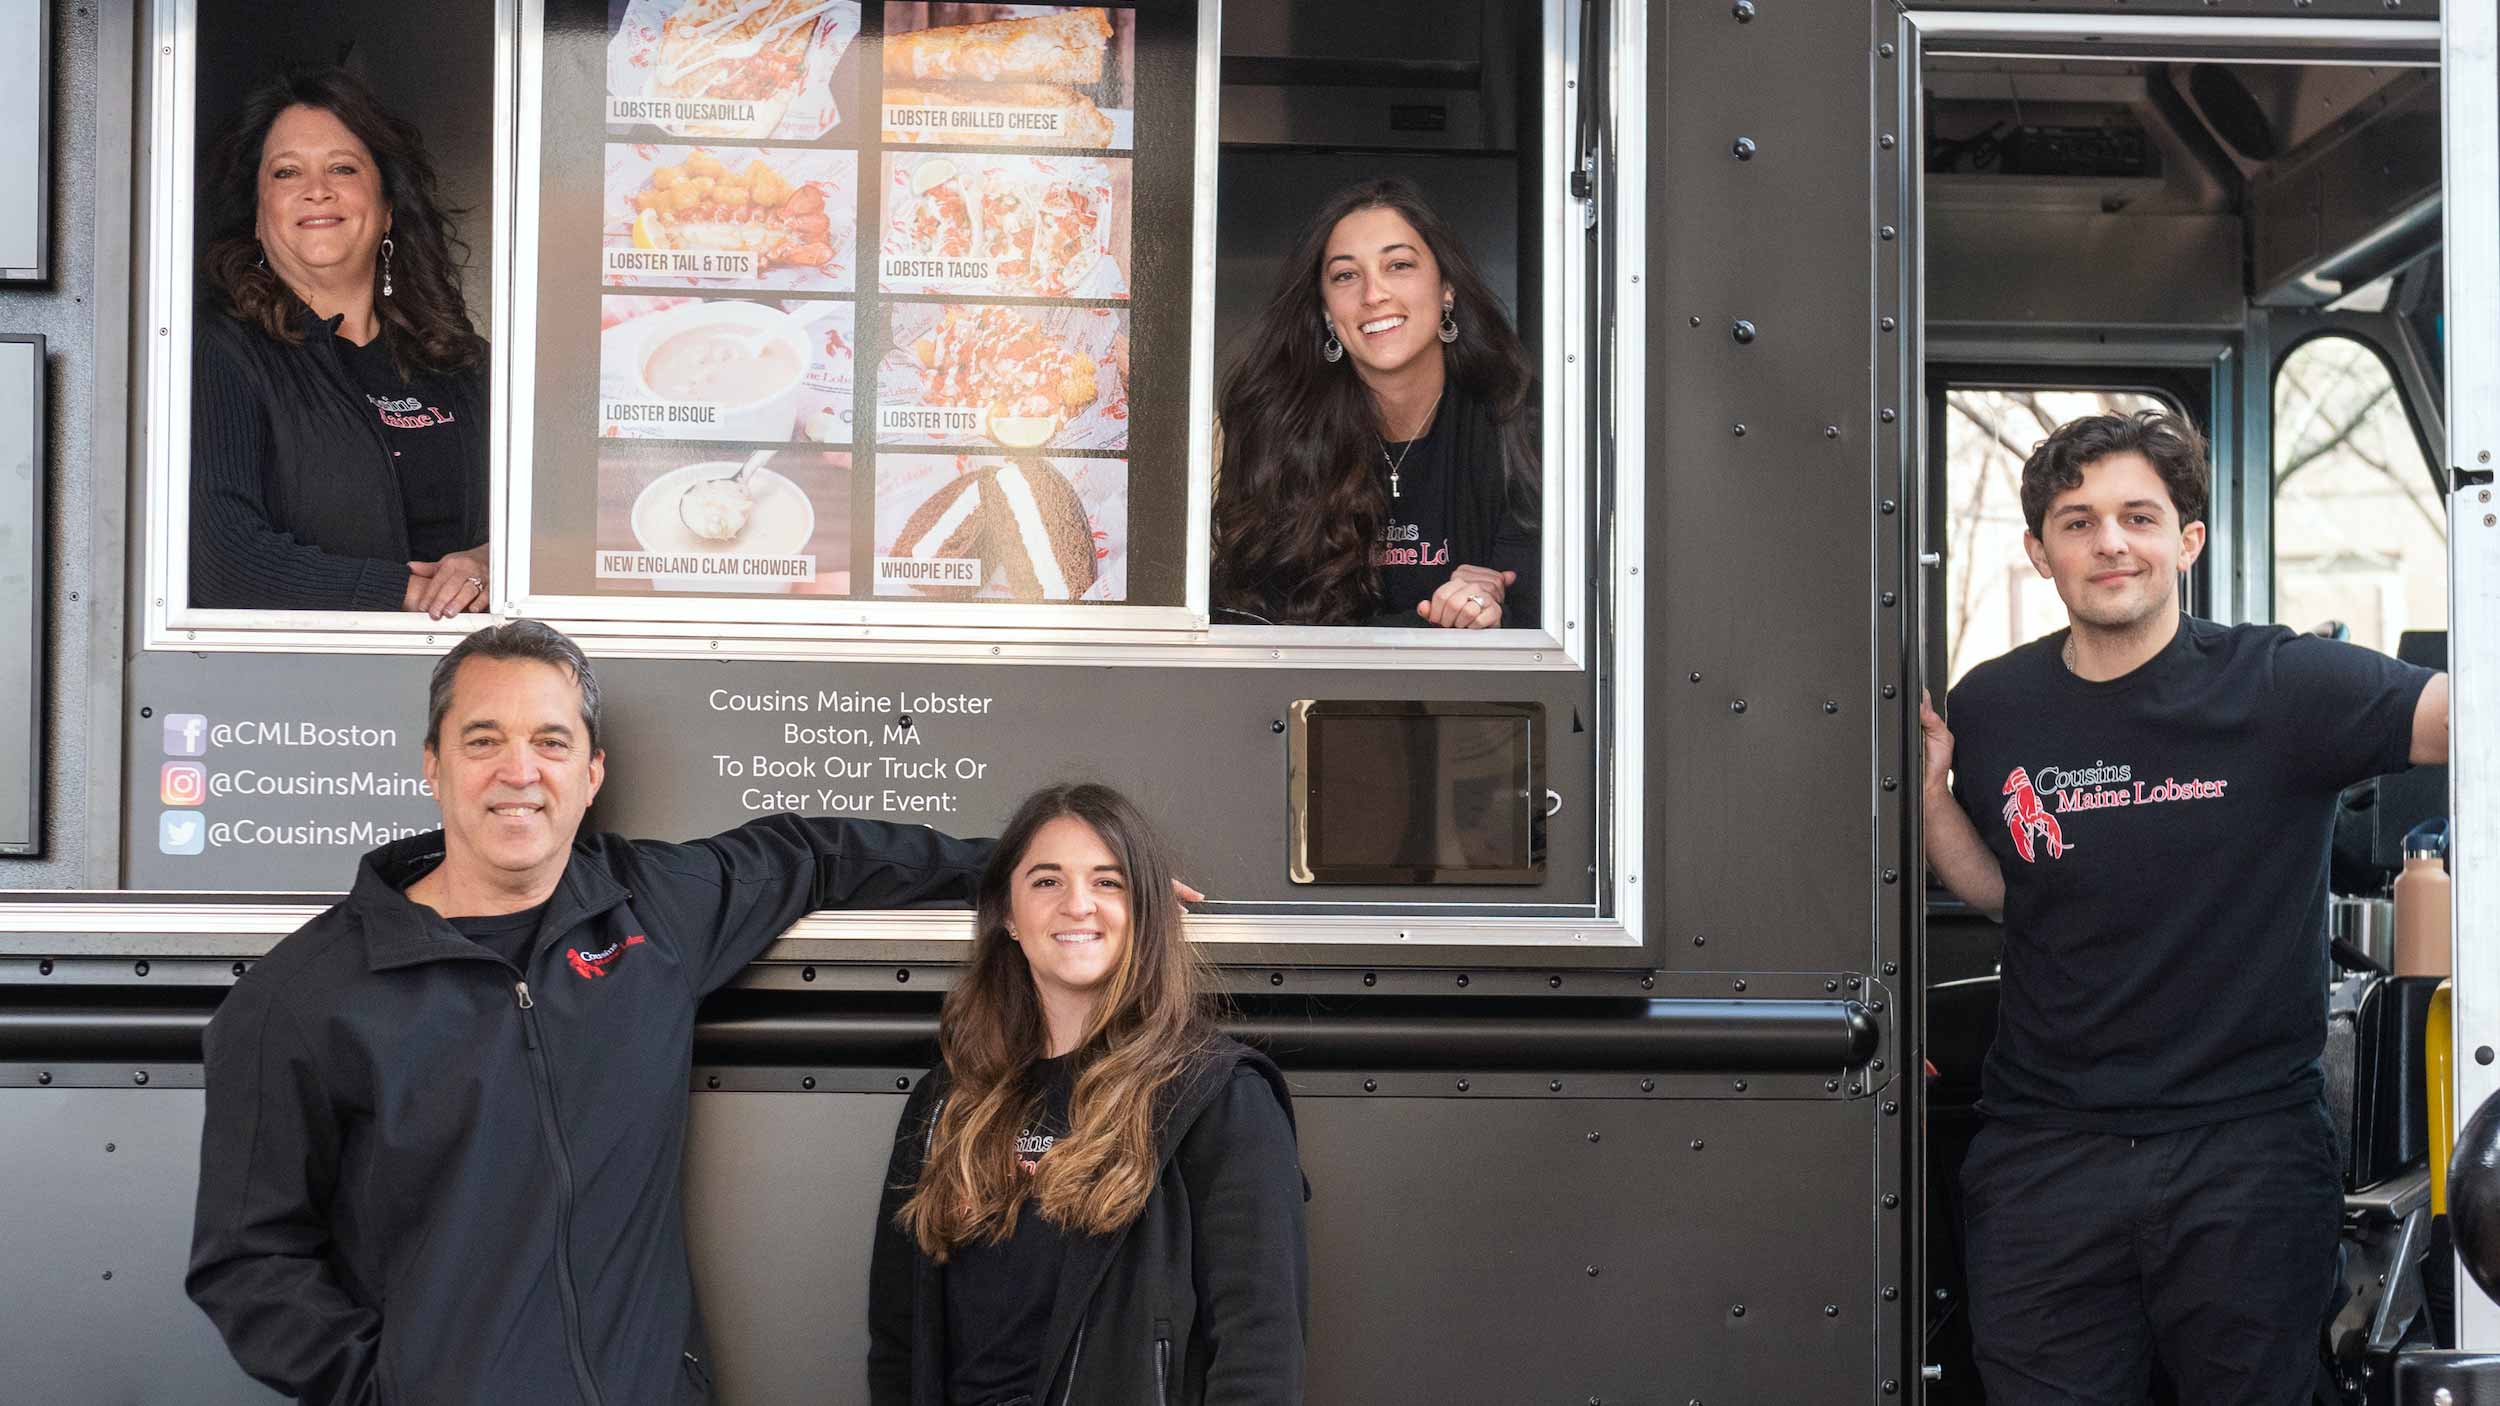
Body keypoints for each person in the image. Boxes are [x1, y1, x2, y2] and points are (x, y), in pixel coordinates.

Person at [186, 621, 996, 1403]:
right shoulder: (303, 997)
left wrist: (1031, 871)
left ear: (591, 774)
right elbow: (250, 1264)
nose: (519, 771)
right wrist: (395, 1391)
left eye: (550, 741)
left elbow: (813, 855)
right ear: (432, 766)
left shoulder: (652, 912)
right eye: (482, 740)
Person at [1918, 410, 2451, 1404]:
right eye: (2076, 522)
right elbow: (2013, 887)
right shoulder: (1991, 704)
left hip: (2244, 1153)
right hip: (2045, 1154)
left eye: (2137, 516)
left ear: (2186, 539)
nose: (2110, 542)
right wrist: (1929, 799)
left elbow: (2472, 716)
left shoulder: (2283, 683)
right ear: (2039, 553)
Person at [868, 783, 1309, 1406]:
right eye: (1047, 881)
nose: (1078, 905)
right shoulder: (946, 1101)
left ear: (1148, 913)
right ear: (1008, 916)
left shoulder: (1220, 1099)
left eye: (1109, 882)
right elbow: (897, 1346)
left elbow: (1259, 1359)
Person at [191, 67, 491, 618]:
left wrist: (491, 563)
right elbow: (221, 560)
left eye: (343, 168)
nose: (317, 190)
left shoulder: (462, 364)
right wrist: (408, 595)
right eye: (286, 173)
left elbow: (556, 532)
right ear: (258, 218)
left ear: (386, 210)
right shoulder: (223, 352)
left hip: (470, 678)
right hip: (309, 690)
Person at [1212, 177, 1539, 629]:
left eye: (1399, 265)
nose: (1373, 295)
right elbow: (1251, 625)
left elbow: (1548, 618)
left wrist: (1493, 614)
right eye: (1346, 275)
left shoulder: (1518, 421)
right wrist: (1439, 626)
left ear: (1447, 287)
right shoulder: (1275, 427)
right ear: (1326, 310)